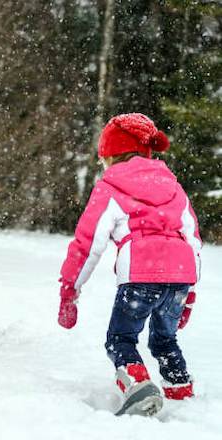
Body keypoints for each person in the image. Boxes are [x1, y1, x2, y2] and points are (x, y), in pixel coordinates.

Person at [57, 113, 202, 416]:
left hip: (141, 275)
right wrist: (188, 294)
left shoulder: (110, 186)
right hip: (181, 275)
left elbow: (87, 244)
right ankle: (180, 391)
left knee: (120, 339)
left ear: (110, 155)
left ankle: (138, 387)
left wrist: (70, 288)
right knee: (165, 339)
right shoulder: (174, 186)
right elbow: (192, 239)